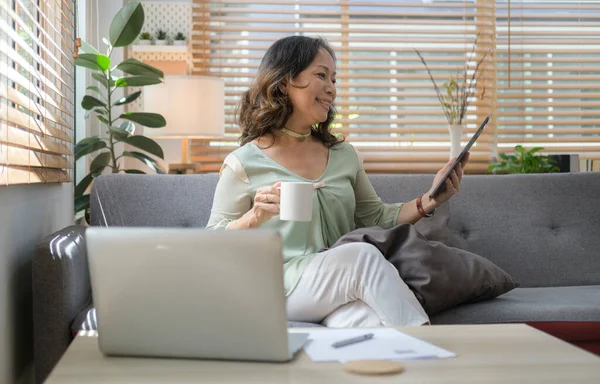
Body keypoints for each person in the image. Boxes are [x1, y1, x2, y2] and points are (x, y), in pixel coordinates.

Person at [206, 36, 469, 328]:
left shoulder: (344, 155)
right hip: (275, 287)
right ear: (283, 83)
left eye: (334, 78)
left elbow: (378, 217)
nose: (332, 88)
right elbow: (212, 243)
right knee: (361, 257)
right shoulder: (243, 162)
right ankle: (437, 351)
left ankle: (420, 367)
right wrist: (254, 217)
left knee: (373, 323)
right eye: (321, 75)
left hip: (336, 286)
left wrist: (430, 200)